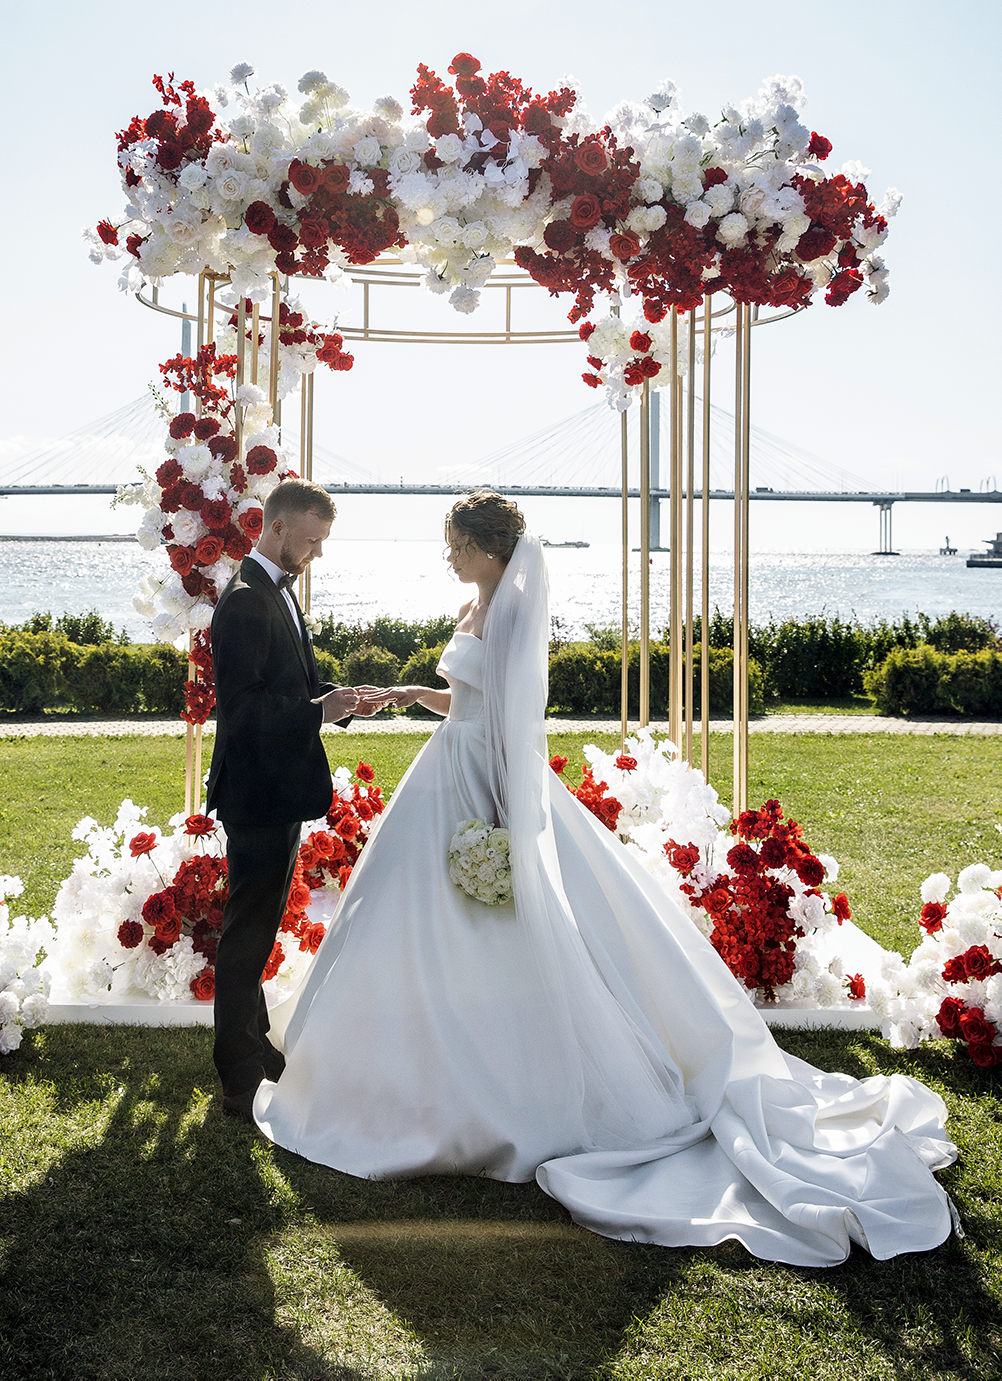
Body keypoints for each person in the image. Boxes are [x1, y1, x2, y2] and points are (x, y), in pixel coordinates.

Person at [254, 491, 957, 1265]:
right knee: (401, 920)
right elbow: (468, 700)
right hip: (444, 767)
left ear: (488, 548)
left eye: (455, 544)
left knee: (479, 932)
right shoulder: (472, 603)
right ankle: (377, 1064)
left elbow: (511, 725)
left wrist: (495, 824)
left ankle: (478, 1088)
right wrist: (411, 695)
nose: (447, 556)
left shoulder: (512, 614)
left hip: (479, 786)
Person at [206, 478, 384, 1120]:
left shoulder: (274, 591)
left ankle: (255, 1051)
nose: (316, 553)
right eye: (311, 540)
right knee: (246, 934)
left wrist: (335, 700)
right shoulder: (249, 600)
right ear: (277, 527)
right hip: (257, 792)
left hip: (273, 789)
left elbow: (285, 683)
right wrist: (317, 709)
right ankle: (238, 1077)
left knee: (254, 926)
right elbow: (244, 711)